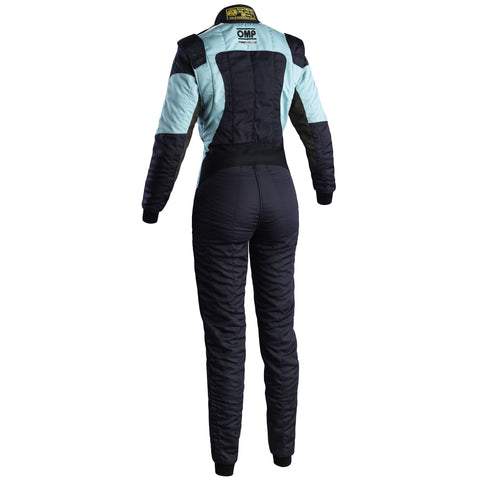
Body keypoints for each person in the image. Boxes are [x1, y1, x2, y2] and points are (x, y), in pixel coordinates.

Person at [141, 4, 336, 476]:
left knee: (227, 337)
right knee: (280, 330)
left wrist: (153, 204)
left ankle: (225, 462)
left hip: (223, 196)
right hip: (281, 195)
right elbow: (316, 125)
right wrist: (325, 186)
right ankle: (283, 453)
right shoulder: (289, 48)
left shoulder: (195, 51)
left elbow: (172, 136)